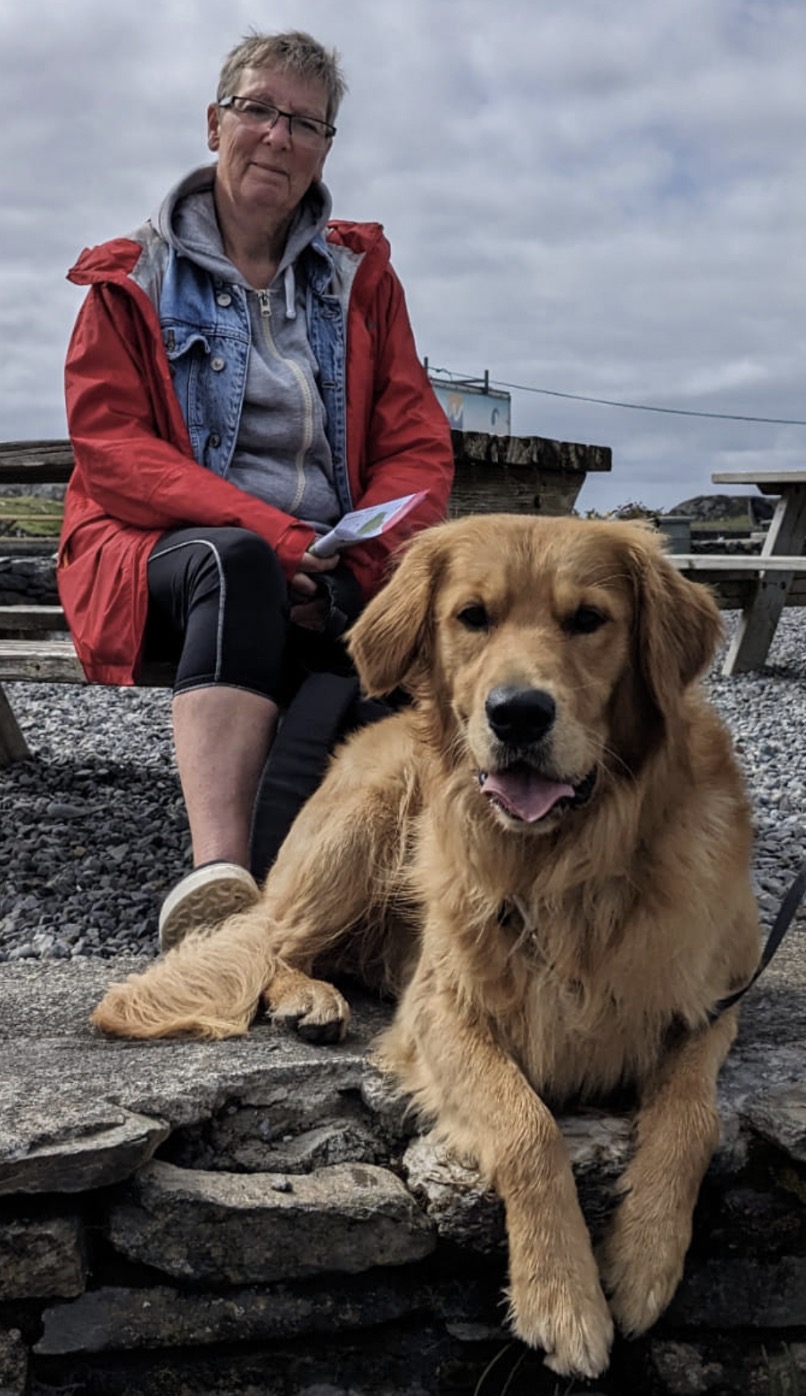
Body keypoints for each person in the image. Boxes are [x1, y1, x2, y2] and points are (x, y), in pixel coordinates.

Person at [58, 29, 454, 950]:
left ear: (325, 148)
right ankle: (220, 878)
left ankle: (414, 882)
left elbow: (416, 442)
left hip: (332, 558)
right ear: (214, 124)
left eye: (305, 122)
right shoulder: (131, 279)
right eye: (258, 111)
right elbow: (114, 452)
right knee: (238, 566)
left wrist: (357, 558)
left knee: (425, 620)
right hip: (161, 555)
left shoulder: (359, 278)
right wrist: (281, 542)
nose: (277, 137)